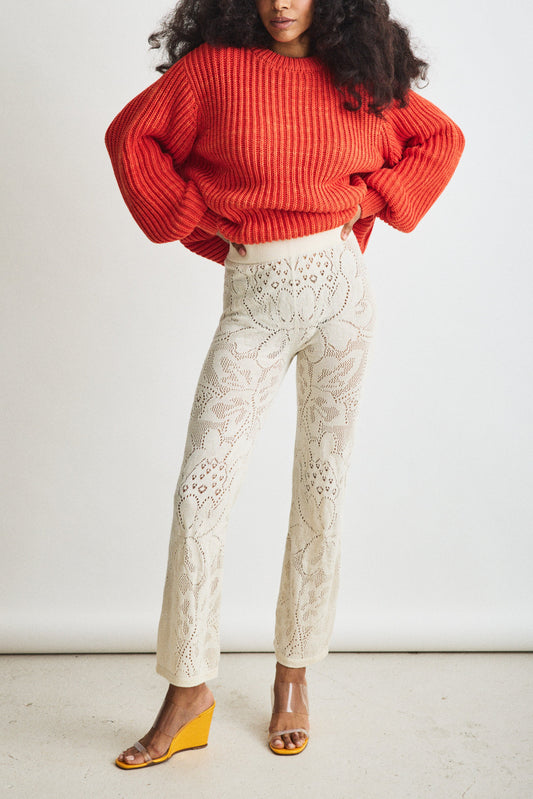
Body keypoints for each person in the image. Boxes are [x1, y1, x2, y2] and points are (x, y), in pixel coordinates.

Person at [105, 0, 465, 768]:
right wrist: (195, 216)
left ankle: (293, 673)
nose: (281, 2)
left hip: (341, 297)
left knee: (320, 482)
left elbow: (439, 137)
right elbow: (130, 137)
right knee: (200, 487)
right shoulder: (212, 72)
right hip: (254, 304)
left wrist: (368, 200)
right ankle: (188, 687)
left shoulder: (358, 74)